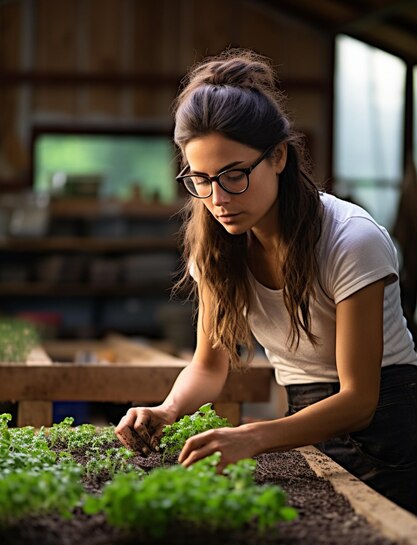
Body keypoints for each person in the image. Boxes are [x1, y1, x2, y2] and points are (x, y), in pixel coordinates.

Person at [115, 48, 417, 515]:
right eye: (201, 179)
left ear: (277, 157)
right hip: (302, 420)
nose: (217, 198)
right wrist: (167, 409)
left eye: (235, 175)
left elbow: (359, 399)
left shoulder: (351, 239)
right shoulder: (216, 246)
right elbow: (208, 366)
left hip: (389, 428)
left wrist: (253, 435)